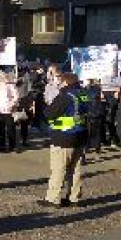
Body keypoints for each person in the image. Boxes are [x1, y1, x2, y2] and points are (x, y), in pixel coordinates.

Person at [40, 73, 89, 208]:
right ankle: (74, 198)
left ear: (66, 83)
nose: (59, 84)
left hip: (63, 136)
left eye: (60, 82)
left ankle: (53, 198)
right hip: (80, 135)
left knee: (58, 168)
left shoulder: (65, 96)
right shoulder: (83, 94)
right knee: (76, 169)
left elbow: (49, 113)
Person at [0, 71, 20, 153]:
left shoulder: (10, 86)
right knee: (0, 129)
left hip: (8, 111)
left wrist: (11, 105)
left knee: (11, 129)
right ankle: (2, 145)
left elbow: (16, 96)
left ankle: (12, 146)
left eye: (0, 77)